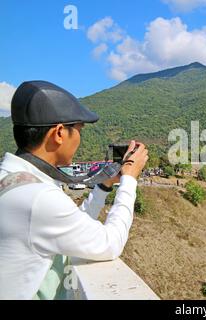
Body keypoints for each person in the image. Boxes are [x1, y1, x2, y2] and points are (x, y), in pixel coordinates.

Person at [0, 81, 148, 300]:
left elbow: (73, 223)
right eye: (79, 130)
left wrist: (104, 185)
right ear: (59, 133)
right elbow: (109, 243)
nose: (80, 138)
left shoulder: (17, 182)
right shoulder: (38, 198)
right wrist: (129, 179)